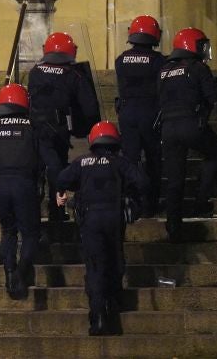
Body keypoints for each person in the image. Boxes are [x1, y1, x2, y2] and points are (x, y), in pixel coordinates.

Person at [56, 121, 145, 336]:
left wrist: (66, 192)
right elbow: (143, 182)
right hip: (114, 218)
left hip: (90, 220)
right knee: (115, 260)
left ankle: (98, 318)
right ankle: (113, 305)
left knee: (95, 268)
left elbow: (61, 179)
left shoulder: (82, 162)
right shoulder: (120, 162)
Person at [158, 27, 217, 242]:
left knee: (174, 178)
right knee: (214, 151)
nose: (204, 50)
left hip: (168, 128)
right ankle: (201, 201)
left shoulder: (163, 70)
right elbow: (211, 98)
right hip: (191, 124)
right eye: (202, 46)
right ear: (193, 46)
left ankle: (173, 224)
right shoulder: (198, 68)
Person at [0, 83, 41, 300]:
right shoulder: (33, 126)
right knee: (30, 233)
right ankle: (21, 272)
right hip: (25, 183)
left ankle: (9, 271)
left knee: (8, 230)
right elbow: (43, 158)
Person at [27, 32, 100, 222]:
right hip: (58, 129)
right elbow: (89, 107)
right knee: (57, 166)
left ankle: (37, 207)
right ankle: (56, 209)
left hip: (35, 128)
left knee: (42, 167)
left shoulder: (35, 72)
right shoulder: (73, 74)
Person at [114, 16, 166, 216]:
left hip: (126, 113)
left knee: (129, 160)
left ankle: (131, 202)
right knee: (153, 159)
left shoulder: (121, 60)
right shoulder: (159, 61)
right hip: (150, 112)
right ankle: (150, 205)